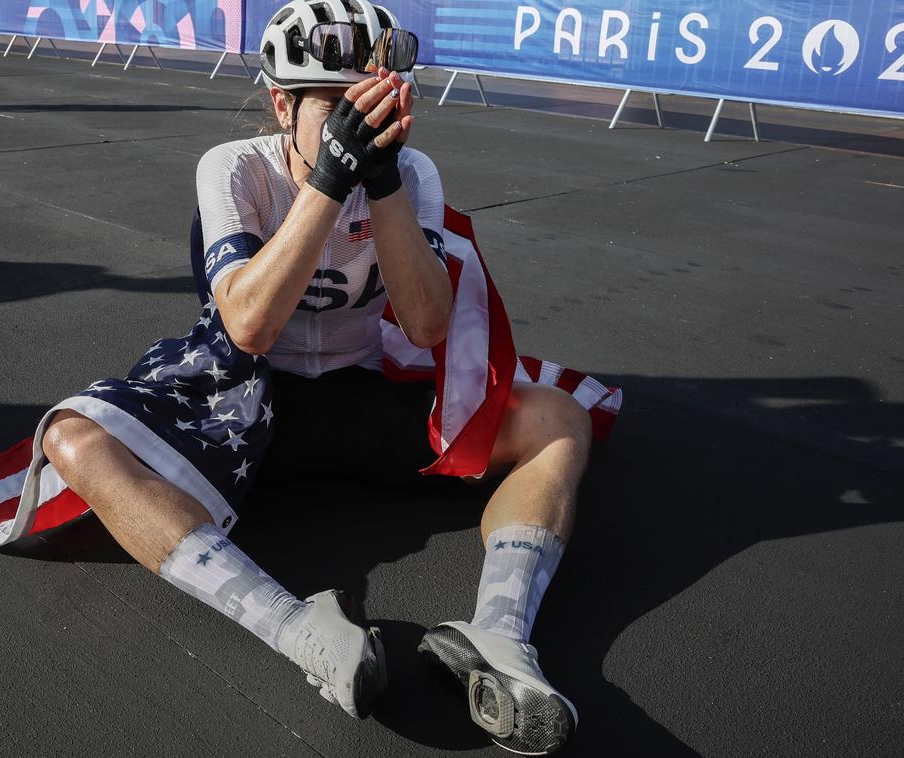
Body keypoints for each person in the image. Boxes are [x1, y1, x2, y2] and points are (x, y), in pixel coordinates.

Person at [39, 1, 591, 753]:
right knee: (75, 437)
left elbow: (427, 325)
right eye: (336, 104)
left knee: (558, 418)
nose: (359, 124)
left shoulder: (412, 170)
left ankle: (499, 637)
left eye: (375, 100)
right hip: (248, 402)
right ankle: (294, 628)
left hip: (362, 396)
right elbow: (248, 326)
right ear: (281, 103)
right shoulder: (235, 167)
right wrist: (329, 180)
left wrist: (384, 180)